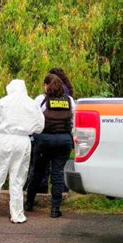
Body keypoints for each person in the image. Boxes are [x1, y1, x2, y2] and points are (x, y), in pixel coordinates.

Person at [0, 80, 44, 224]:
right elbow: (40, 126)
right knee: (18, 179)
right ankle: (17, 214)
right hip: (23, 141)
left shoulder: (2, 102)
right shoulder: (31, 103)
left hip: (3, 139)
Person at [26, 74, 75, 218]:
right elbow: (73, 121)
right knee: (58, 173)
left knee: (37, 172)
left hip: (44, 140)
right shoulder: (69, 100)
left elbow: (33, 119)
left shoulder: (41, 99)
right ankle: (55, 209)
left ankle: (29, 203)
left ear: (46, 85)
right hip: (64, 140)